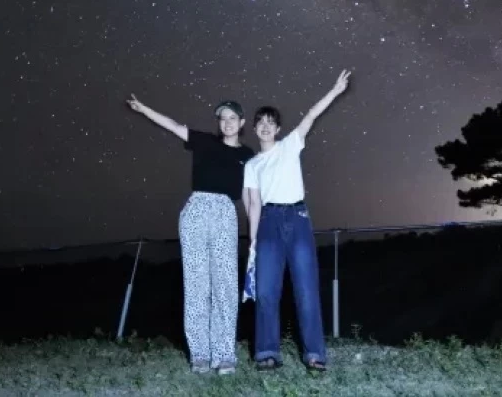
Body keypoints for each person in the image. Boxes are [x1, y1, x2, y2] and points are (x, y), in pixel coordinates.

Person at [127, 95, 255, 375]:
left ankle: (224, 355)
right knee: (197, 285)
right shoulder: (204, 141)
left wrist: (254, 232)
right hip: (196, 209)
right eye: (223, 118)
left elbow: (249, 196)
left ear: (242, 122)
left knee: (225, 285)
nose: (227, 123)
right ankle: (200, 354)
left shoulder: (248, 156)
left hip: (224, 212)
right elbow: (173, 126)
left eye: (233, 118)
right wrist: (145, 108)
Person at [242, 70, 351, 372]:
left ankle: (314, 353)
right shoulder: (251, 165)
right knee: (266, 291)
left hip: (298, 218)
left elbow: (312, 115)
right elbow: (252, 204)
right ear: (254, 128)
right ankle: (266, 351)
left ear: (277, 128)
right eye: (260, 122)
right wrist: (252, 243)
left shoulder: (290, 144)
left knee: (306, 289)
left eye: (270, 122)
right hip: (268, 222)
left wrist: (335, 90)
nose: (265, 127)